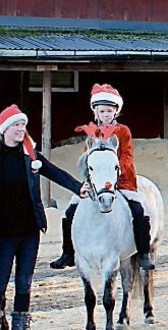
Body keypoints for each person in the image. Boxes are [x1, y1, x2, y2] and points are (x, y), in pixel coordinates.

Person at [0, 105, 86, 330]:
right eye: (16, 125)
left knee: (24, 284)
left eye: (23, 125)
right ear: (5, 129)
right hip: (0, 232)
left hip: (29, 231)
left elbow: (54, 173)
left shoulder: (31, 156)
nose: (22, 129)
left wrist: (78, 188)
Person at [49, 83, 155, 271]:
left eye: (109, 111)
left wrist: (117, 171)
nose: (106, 114)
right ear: (95, 112)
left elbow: (127, 155)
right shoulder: (92, 132)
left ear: (116, 112)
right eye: (102, 111)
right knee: (70, 210)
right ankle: (68, 252)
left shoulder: (123, 131)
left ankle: (143, 252)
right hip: (95, 182)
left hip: (122, 181)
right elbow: (86, 157)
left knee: (139, 210)